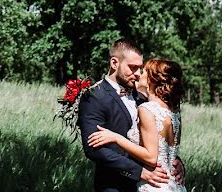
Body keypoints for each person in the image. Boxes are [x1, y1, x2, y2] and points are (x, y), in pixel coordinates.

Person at [78, 39, 183, 192]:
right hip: (115, 185)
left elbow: (157, 140)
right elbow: (93, 149)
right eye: (132, 68)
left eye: (140, 68)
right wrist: (138, 172)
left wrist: (174, 163)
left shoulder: (144, 98)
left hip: (153, 184)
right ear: (114, 63)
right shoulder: (94, 96)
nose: (137, 74)